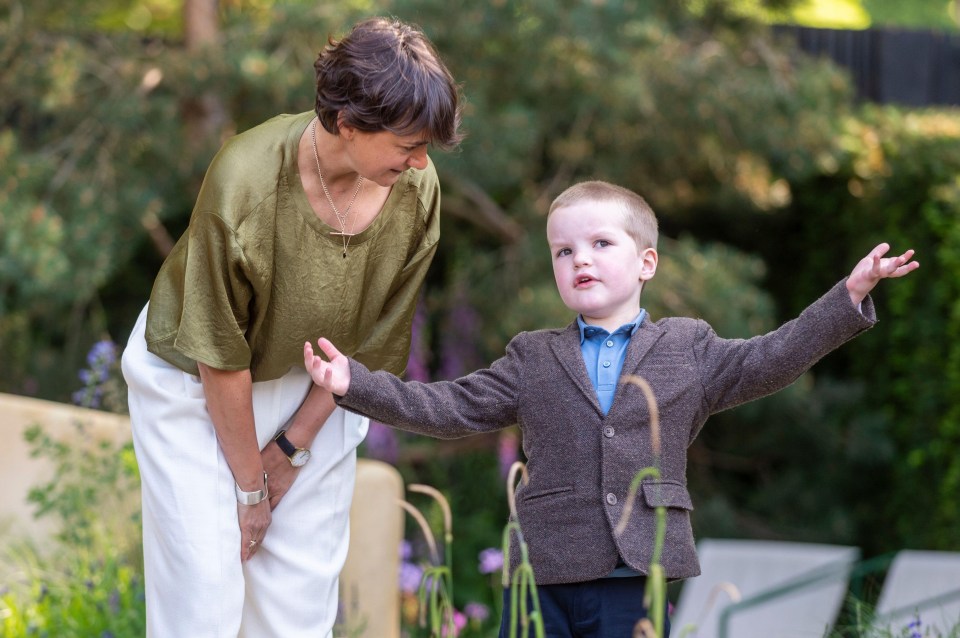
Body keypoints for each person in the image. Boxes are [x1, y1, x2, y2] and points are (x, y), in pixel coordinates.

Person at [303, 180, 919, 638]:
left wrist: (849, 296)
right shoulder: (533, 355)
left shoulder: (689, 346)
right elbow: (448, 406)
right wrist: (352, 382)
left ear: (646, 261)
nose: (580, 260)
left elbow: (772, 357)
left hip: (636, 572)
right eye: (563, 252)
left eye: (600, 243)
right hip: (543, 572)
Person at [120, 16, 462, 637]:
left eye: (427, 149)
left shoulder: (418, 192)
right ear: (350, 124)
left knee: (296, 607)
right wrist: (250, 489)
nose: (419, 163)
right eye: (407, 145)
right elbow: (219, 354)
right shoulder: (245, 180)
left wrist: (290, 448)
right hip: (197, 383)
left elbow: (369, 343)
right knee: (205, 595)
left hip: (319, 386)